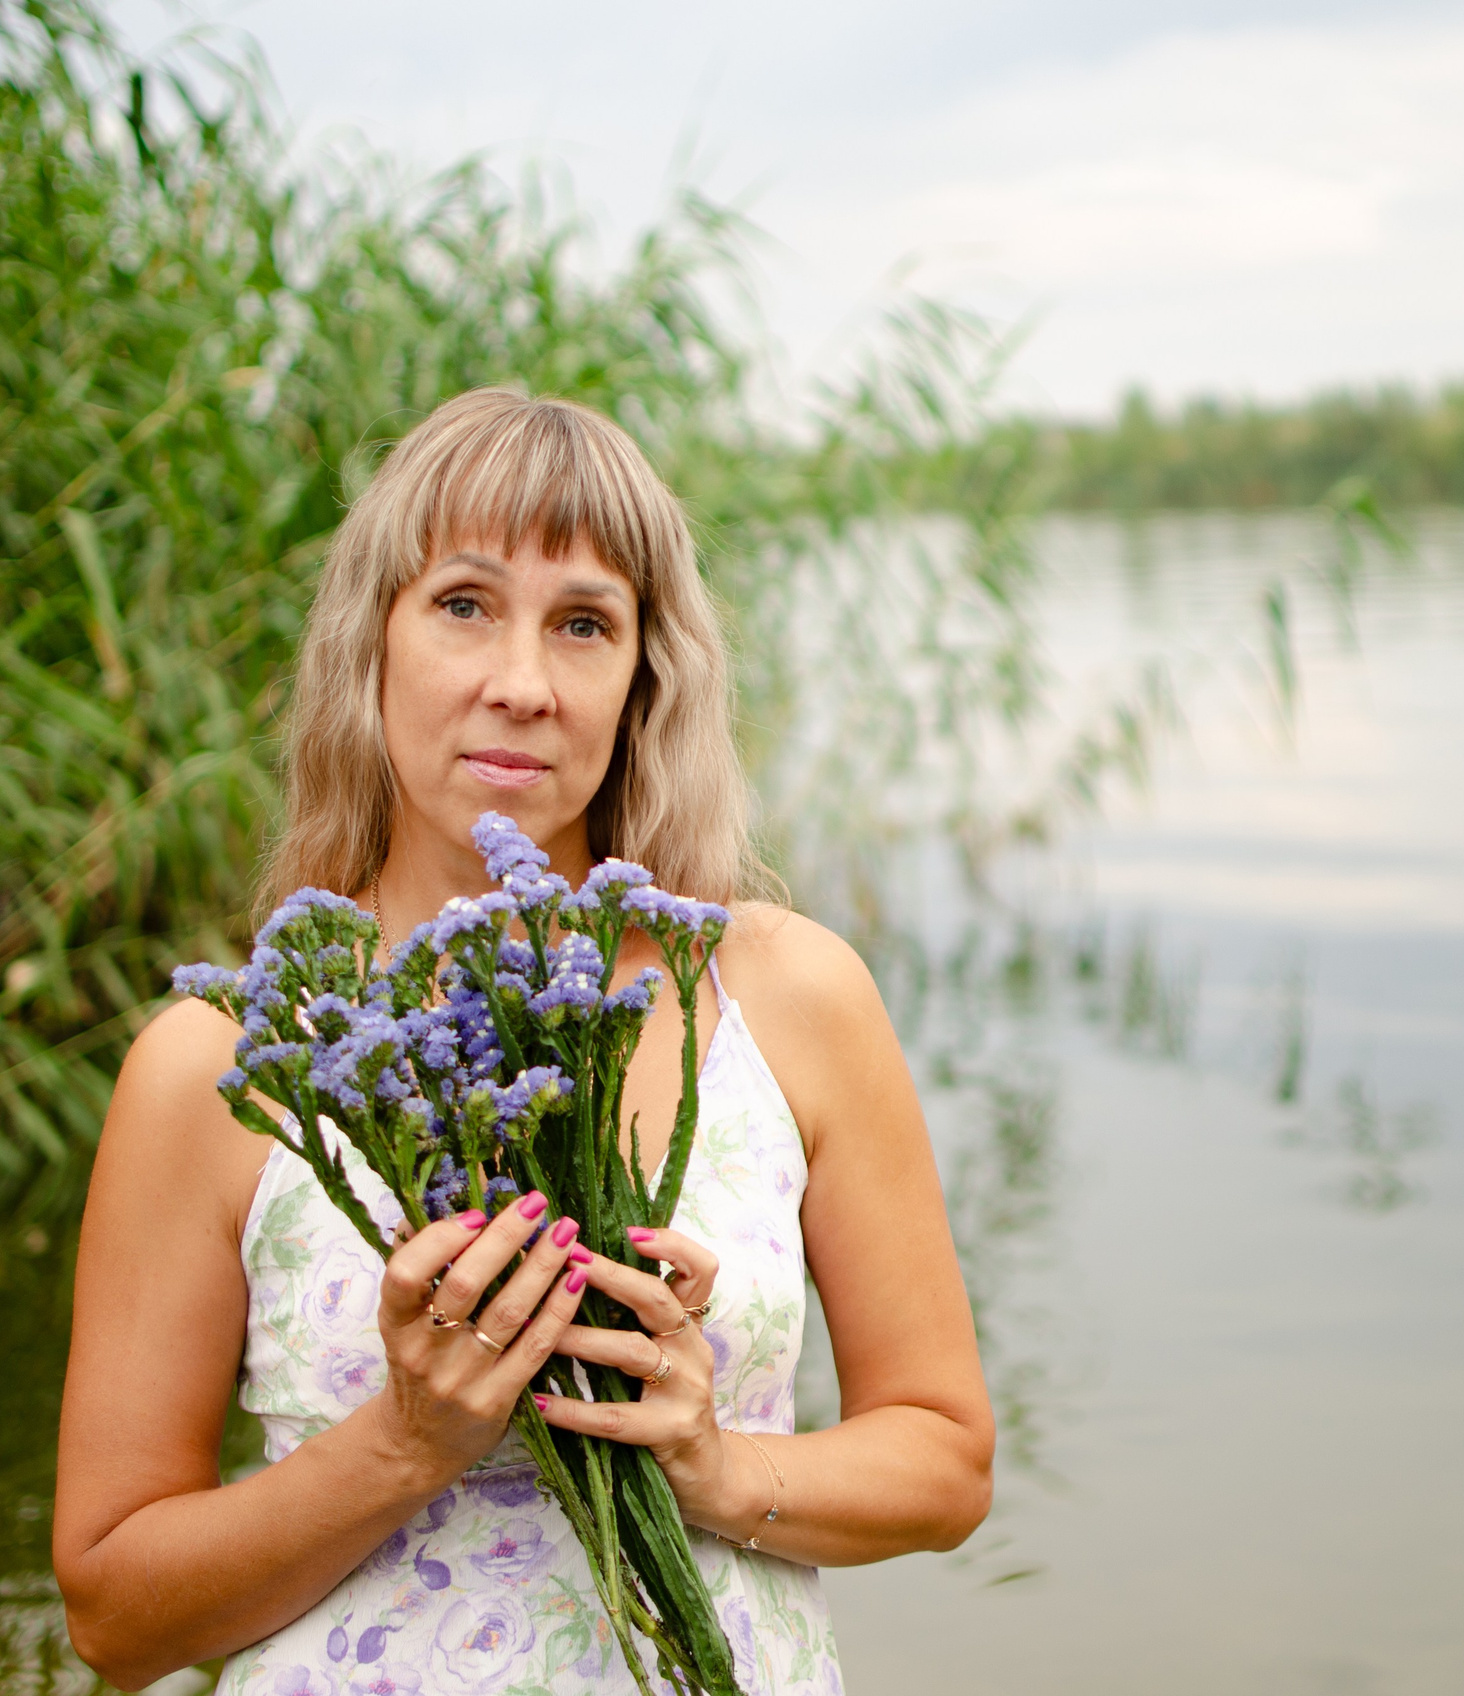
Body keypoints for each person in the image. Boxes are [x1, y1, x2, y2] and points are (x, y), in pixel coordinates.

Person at [53, 389, 994, 1695]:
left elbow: (945, 1461)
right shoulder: (223, 1064)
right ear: (367, 643)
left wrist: (715, 1464)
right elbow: (112, 1612)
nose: (521, 685)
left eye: (585, 625)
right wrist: (406, 1439)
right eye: (462, 604)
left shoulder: (786, 995)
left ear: (643, 678)